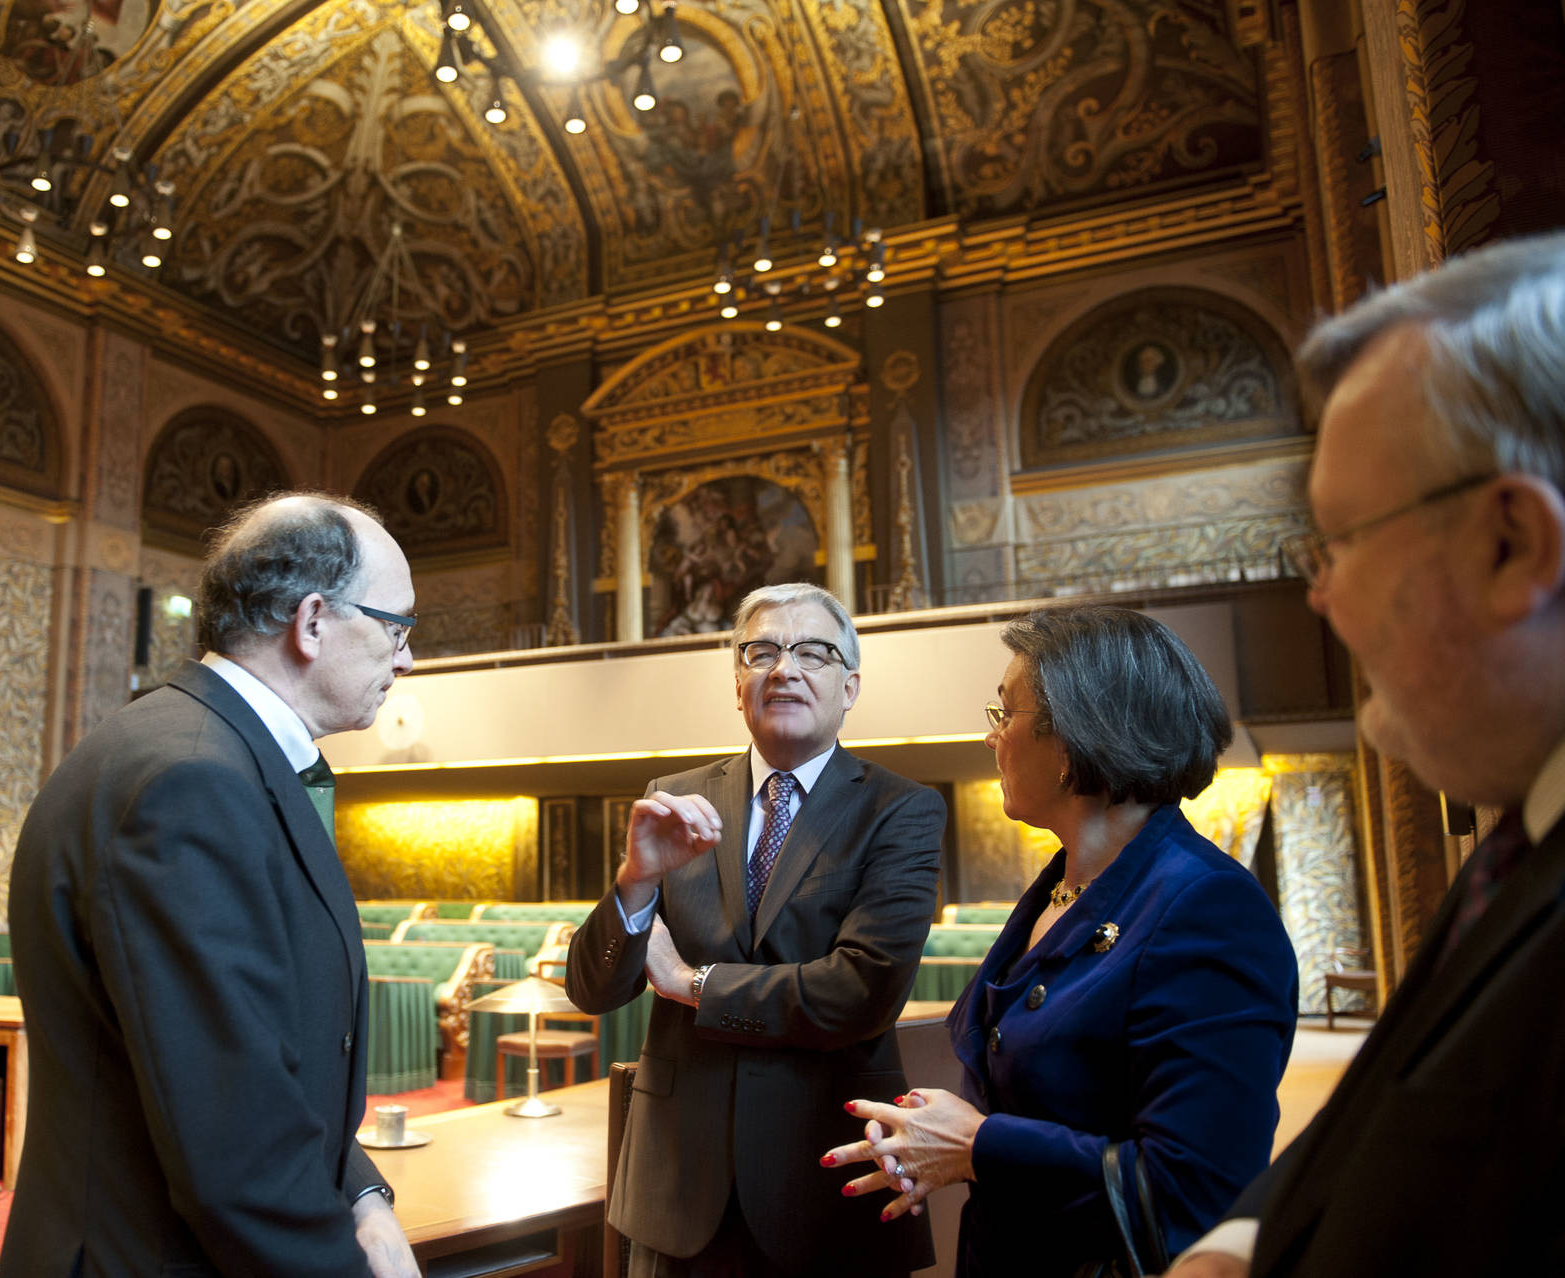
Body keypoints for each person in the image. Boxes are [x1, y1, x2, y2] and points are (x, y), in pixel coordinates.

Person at [1169, 234, 1565, 1276]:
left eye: (1338, 541)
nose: (1319, 594)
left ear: (1510, 543)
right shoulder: (1516, 846)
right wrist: (1248, 1244)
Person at [0, 493, 421, 1278]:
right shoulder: (191, 781)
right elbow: (236, 1146)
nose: (406, 660)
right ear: (314, 620)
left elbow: (268, 1058)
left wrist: (361, 1193)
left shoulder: (199, 748)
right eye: (396, 628)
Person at [826, 606, 1298, 1276]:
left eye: (1003, 713)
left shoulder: (1207, 907)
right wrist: (931, 1134)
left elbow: (1195, 1192)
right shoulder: (1060, 885)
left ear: (1076, 734)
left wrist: (978, 1146)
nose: (990, 738)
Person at [566, 582, 946, 1277]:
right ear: (737, 683)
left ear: (850, 684)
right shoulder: (673, 800)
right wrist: (635, 880)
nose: (784, 668)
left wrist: (690, 983)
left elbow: (860, 991)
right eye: (762, 651)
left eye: (813, 652)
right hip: (678, 1187)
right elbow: (593, 989)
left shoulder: (901, 811)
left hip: (826, 1181)